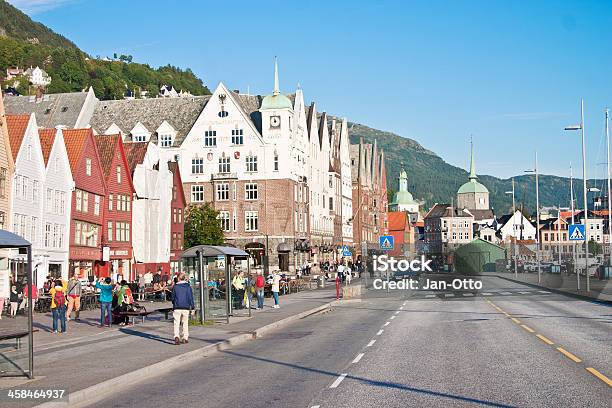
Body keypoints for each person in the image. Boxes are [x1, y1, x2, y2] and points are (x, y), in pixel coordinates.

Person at [171, 272, 194, 345]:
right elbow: (190, 298)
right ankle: (185, 337)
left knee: (176, 323)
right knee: (185, 323)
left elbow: (172, 298)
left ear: (178, 278)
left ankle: (176, 336)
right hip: (186, 307)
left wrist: (174, 303)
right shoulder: (188, 287)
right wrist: (192, 307)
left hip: (177, 307)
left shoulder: (175, 287)